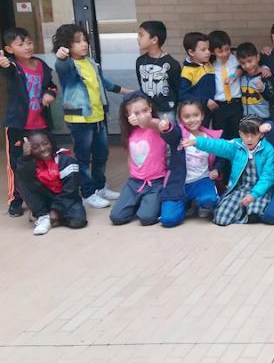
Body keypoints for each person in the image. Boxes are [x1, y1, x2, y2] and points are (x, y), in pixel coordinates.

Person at [53, 23, 130, 209]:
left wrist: (125, 91)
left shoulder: (90, 62)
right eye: (77, 41)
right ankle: (88, 193)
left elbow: (103, 82)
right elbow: (61, 67)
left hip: (98, 116)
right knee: (82, 157)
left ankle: (100, 186)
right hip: (79, 119)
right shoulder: (68, 64)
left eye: (85, 40)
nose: (84, 44)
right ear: (66, 45)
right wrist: (61, 58)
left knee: (101, 154)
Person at [1, 27, 57, 217]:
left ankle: (46, 194)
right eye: (21, 44)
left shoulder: (41, 64)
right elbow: (7, 71)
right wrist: (4, 64)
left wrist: (50, 93)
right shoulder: (13, 66)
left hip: (40, 124)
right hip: (18, 125)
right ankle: (15, 199)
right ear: (9, 49)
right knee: (17, 163)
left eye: (29, 42)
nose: (27, 47)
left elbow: (51, 84)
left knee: (45, 159)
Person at [181, 115, 274, 225]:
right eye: (245, 135)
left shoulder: (269, 150)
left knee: (254, 213)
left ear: (261, 135)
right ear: (240, 133)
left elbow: (268, 177)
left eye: (253, 135)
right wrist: (196, 142)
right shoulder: (236, 146)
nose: (249, 139)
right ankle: (239, 213)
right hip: (239, 189)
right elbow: (218, 145)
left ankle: (248, 213)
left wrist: (254, 195)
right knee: (221, 218)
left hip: (260, 191)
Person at [158, 100, 222, 228]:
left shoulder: (211, 137)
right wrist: (166, 128)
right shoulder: (179, 134)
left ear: (202, 115)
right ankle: (186, 204)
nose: (192, 120)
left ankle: (199, 202)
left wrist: (216, 169)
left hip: (201, 181)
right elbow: (171, 135)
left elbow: (221, 157)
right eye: (187, 116)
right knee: (168, 220)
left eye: (196, 115)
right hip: (178, 184)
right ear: (180, 118)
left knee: (209, 200)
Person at [109, 92, 168, 226]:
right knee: (117, 217)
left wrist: (146, 122)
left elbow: (159, 125)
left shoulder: (155, 127)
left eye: (145, 110)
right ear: (127, 116)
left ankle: (148, 203)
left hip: (155, 183)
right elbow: (131, 156)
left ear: (151, 109)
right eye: (136, 113)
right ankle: (138, 202)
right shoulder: (130, 133)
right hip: (134, 183)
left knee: (146, 218)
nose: (141, 115)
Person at [14, 130, 87, 235]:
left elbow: (70, 190)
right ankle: (43, 216)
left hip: (65, 197)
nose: (43, 149)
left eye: (45, 143)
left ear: (51, 142)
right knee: (22, 176)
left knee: (78, 222)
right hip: (44, 198)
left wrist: (56, 210)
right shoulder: (30, 161)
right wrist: (26, 156)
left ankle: (50, 217)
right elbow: (23, 179)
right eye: (35, 147)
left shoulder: (66, 159)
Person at [135, 20, 180, 122]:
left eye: (141, 35)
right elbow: (141, 84)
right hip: (146, 110)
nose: (138, 38)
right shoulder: (140, 61)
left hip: (166, 111)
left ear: (154, 39)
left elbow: (176, 88)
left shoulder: (171, 63)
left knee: (168, 135)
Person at [209, 30, 243, 140]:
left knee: (237, 136)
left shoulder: (236, 59)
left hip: (236, 104)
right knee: (220, 136)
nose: (225, 53)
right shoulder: (210, 64)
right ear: (212, 51)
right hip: (219, 106)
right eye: (220, 51)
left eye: (227, 49)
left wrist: (235, 76)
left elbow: (243, 67)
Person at [179, 32, 216, 118]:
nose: (208, 52)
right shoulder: (187, 72)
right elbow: (183, 95)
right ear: (191, 52)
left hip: (213, 109)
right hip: (198, 112)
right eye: (203, 50)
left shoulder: (208, 62)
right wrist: (205, 101)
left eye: (208, 49)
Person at [236, 42, 270, 120]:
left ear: (258, 58)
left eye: (250, 61)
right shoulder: (242, 76)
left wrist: (263, 89)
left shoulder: (265, 75)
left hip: (263, 118)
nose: (247, 66)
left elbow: (271, 96)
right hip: (246, 119)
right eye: (243, 63)